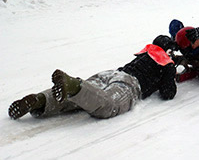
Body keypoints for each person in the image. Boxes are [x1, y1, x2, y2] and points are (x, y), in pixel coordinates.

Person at [8, 36, 177, 120]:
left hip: (109, 74)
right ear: (168, 52)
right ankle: (73, 85)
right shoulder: (165, 63)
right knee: (109, 105)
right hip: (128, 84)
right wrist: (171, 70)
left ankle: (41, 100)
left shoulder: (145, 54)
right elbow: (168, 93)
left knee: (81, 98)